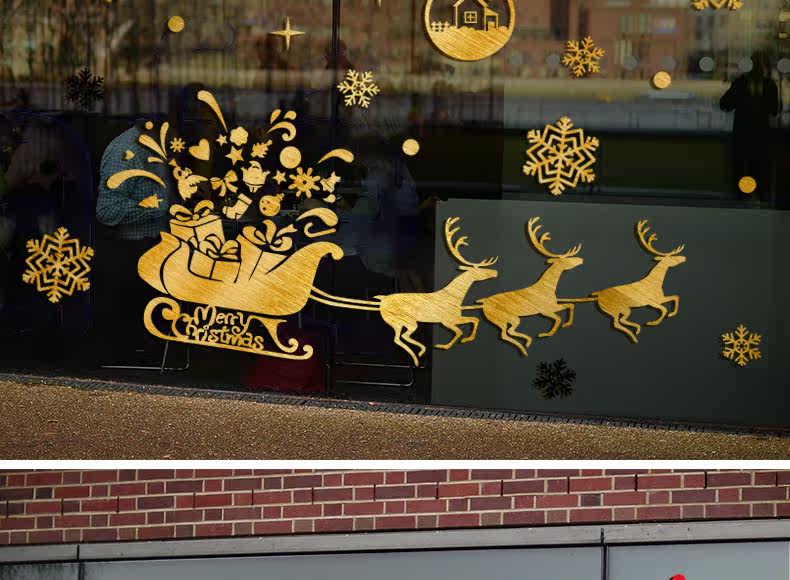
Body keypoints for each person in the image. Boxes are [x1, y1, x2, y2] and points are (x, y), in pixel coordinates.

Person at [94, 119, 174, 362]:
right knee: (136, 319)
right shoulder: (126, 149)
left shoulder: (155, 144)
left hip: (156, 245)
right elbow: (107, 210)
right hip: (135, 248)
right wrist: (160, 207)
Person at [720, 51, 779, 201]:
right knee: (752, 167)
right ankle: (751, 195)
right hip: (756, 136)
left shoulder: (743, 83)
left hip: (748, 135)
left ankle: (748, 194)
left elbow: (725, 104)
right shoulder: (767, 85)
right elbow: (774, 110)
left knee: (750, 167)